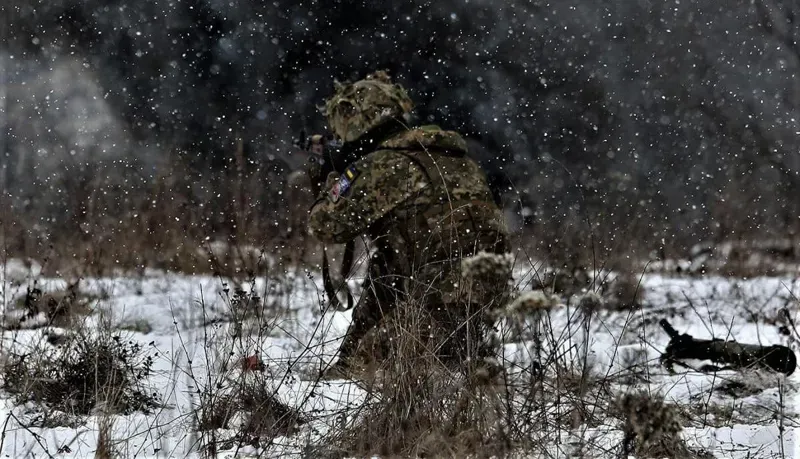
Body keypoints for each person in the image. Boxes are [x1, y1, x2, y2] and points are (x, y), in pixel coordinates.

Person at [307, 70, 511, 377]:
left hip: (440, 293)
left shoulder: (385, 164)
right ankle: (462, 352)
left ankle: (450, 358)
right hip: (486, 292)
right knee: (389, 262)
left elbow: (326, 225)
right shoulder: (453, 157)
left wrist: (332, 178)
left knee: (367, 369)